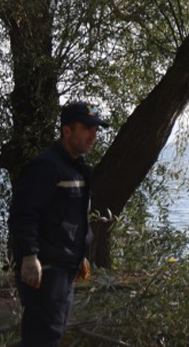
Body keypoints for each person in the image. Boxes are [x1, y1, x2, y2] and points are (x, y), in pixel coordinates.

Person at [9, 100, 109, 347]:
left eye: (96, 129)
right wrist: (29, 257)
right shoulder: (46, 167)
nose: (93, 135)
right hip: (45, 271)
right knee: (43, 338)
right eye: (87, 128)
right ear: (67, 131)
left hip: (66, 269)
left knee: (51, 334)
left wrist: (81, 254)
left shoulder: (77, 169)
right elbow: (24, 214)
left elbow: (72, 217)